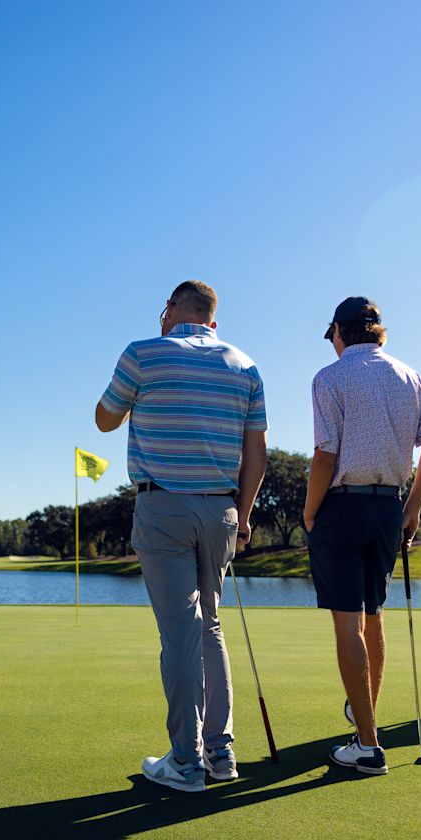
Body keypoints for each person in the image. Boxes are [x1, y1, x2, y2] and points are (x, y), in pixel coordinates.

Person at [95, 280, 267, 793]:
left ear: (170, 310)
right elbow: (256, 453)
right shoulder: (244, 363)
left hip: (163, 503)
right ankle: (221, 752)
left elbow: (104, 420)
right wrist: (244, 513)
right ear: (213, 320)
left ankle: (187, 761)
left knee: (179, 632)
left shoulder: (144, 352)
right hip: (221, 511)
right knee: (209, 625)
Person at [303, 297, 421, 775]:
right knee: (373, 615)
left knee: (349, 623)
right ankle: (365, 719)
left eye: (332, 336)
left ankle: (367, 746)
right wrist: (413, 508)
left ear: (340, 332)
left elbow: (326, 455)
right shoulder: (411, 375)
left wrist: (309, 512)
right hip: (388, 507)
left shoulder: (330, 377)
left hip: (341, 508)